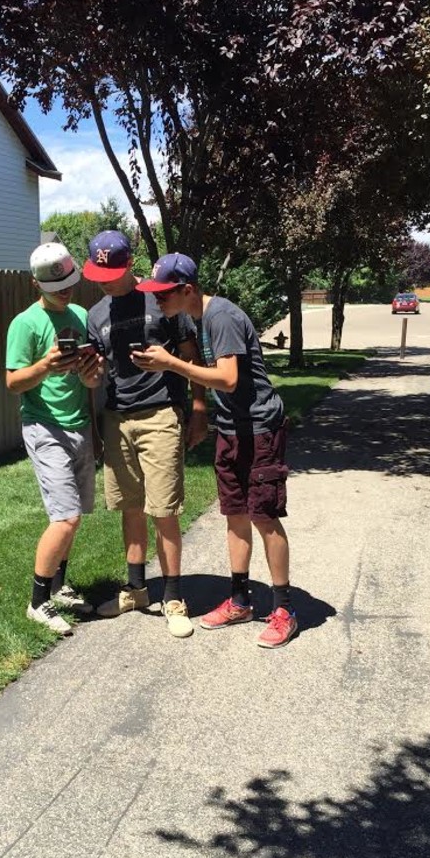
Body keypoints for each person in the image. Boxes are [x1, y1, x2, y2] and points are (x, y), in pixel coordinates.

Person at [135, 252, 298, 648]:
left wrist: (170, 364)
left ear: (187, 289)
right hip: (231, 428)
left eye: (162, 293)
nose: (157, 300)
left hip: (259, 428)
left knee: (264, 516)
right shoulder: (192, 317)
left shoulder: (221, 317)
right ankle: (240, 599)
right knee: (236, 515)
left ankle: (284, 610)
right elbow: (203, 367)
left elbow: (227, 379)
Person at [83, 230, 208, 638]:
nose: (103, 280)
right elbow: (99, 374)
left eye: (111, 272)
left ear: (128, 265)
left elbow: (192, 357)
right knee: (130, 508)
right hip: (117, 420)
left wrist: (199, 410)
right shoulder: (95, 314)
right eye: (98, 272)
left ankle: (173, 597)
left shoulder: (161, 299)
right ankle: (136, 589)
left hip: (160, 416)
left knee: (164, 510)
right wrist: (91, 377)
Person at [5, 242, 104, 635]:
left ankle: (60, 586)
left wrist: (89, 374)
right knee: (65, 518)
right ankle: (38, 602)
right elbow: (13, 382)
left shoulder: (80, 315)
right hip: (44, 427)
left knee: (74, 518)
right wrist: (45, 365)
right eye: (57, 285)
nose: (66, 290)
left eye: (69, 281)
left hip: (79, 424)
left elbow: (92, 379)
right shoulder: (25, 324)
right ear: (36, 284)